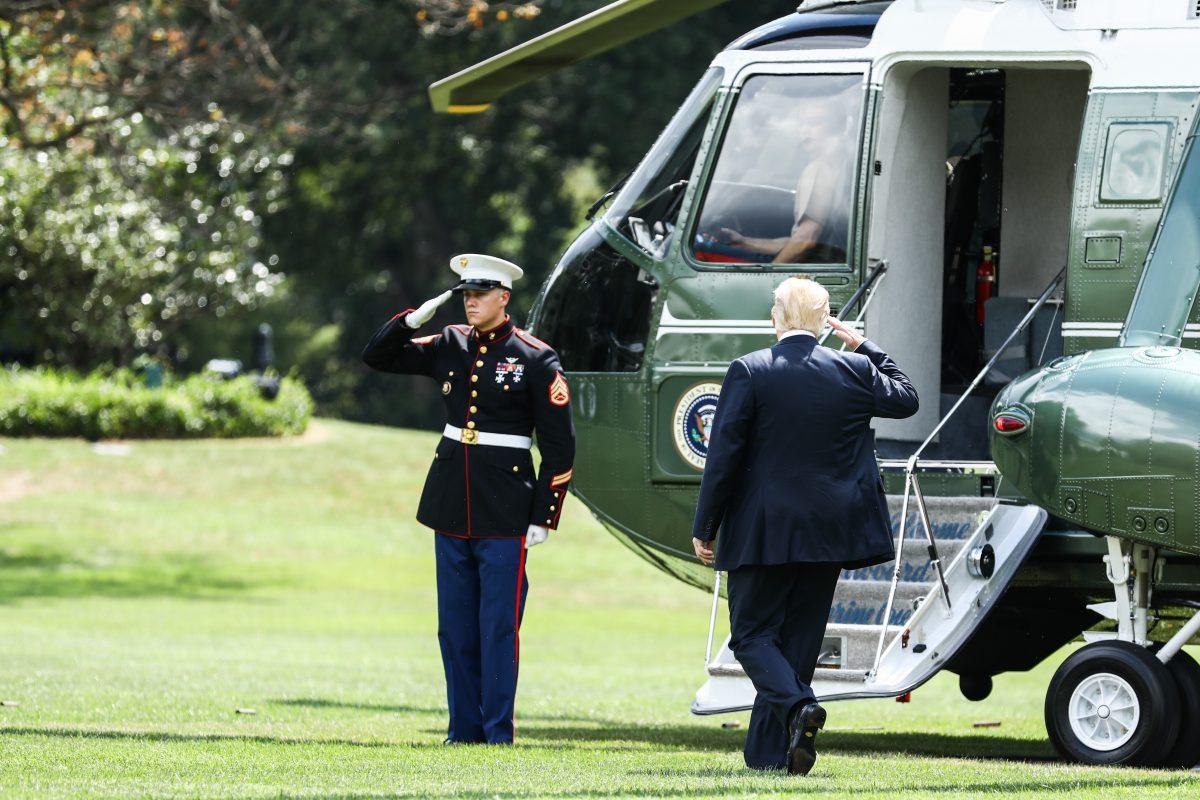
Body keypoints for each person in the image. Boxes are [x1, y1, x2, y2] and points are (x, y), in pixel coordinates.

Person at [690, 276, 918, 774]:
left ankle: (798, 708)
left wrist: (705, 524)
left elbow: (723, 456)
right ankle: (770, 757)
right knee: (797, 644)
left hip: (763, 528)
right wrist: (864, 346)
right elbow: (906, 399)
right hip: (829, 532)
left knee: (752, 636)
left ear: (776, 316)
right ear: (825, 320)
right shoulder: (854, 368)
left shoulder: (749, 370)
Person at [361, 254, 576, 745]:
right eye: (465, 294)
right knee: (455, 629)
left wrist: (546, 514)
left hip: (505, 508)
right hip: (451, 502)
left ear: (504, 297)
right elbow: (377, 357)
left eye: (480, 294)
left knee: (498, 629)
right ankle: (463, 730)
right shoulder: (450, 343)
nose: (471, 302)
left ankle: (497, 732)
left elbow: (560, 446)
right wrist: (412, 320)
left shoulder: (535, 357)